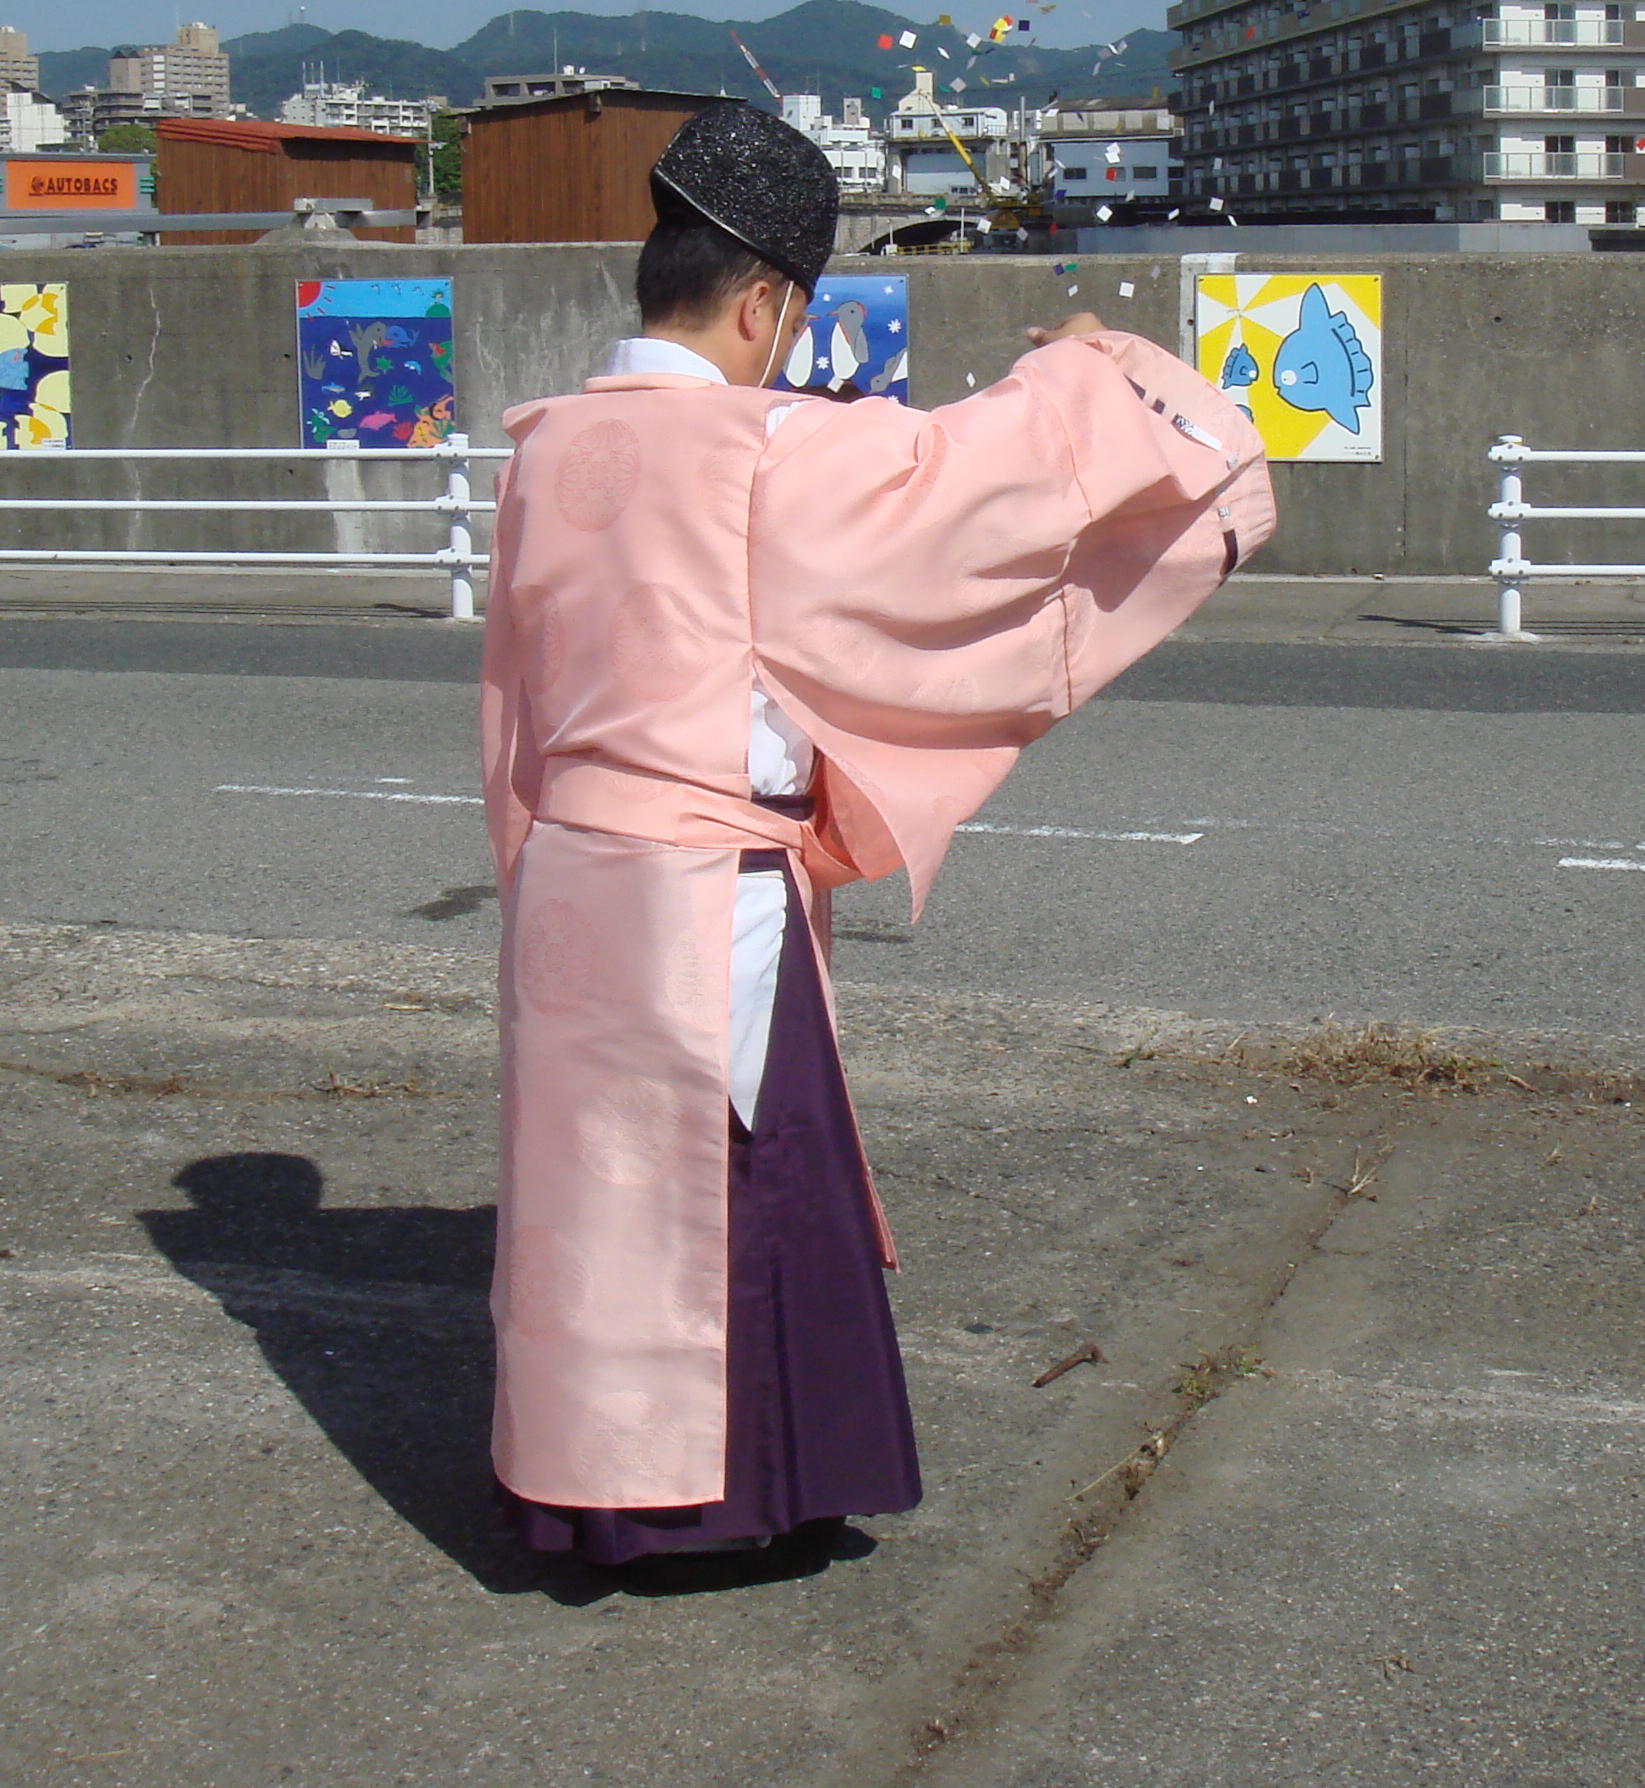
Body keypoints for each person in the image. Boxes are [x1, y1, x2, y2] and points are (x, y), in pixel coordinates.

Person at [480, 102, 1273, 1566]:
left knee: (589, 1210)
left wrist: (525, 867)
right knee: (739, 1192)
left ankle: (577, 1489)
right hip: (703, 889)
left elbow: (511, 715)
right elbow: (983, 475)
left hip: (568, 879)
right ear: (768, 299)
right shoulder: (770, 451)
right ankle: (717, 1505)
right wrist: (1096, 361)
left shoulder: (549, 448)